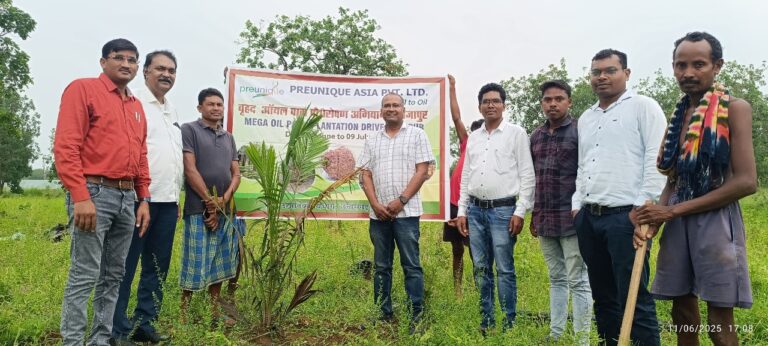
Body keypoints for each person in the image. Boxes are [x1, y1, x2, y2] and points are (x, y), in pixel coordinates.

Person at [636, 32, 757, 346]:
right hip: (678, 220)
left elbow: (746, 181)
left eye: (698, 64)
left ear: (717, 66)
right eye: (680, 65)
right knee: (682, 311)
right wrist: (655, 217)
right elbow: (673, 180)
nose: (688, 73)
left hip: (716, 219)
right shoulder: (678, 116)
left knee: (720, 317)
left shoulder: (735, 108)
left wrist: (672, 210)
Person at [54, 38, 151, 346]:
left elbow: (141, 155)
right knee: (85, 274)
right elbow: (66, 146)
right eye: (118, 57)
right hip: (94, 192)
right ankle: (72, 341)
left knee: (114, 276)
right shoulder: (83, 89)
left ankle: (100, 340)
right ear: (103, 62)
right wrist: (81, 197)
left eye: (132, 59)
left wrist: (143, 198)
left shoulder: (136, 106)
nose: (126, 64)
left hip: (127, 198)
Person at [571, 49, 667, 346]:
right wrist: (577, 206)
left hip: (626, 218)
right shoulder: (586, 117)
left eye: (610, 70)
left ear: (626, 73)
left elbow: (658, 160)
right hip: (590, 217)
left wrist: (644, 211)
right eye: (596, 72)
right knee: (603, 298)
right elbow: (583, 163)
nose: (602, 77)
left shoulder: (643, 107)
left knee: (635, 299)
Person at [112, 50, 182, 344]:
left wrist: (176, 198)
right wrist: (142, 196)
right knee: (124, 265)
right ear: (145, 72)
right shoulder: (134, 101)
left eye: (172, 70)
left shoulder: (170, 110)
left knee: (157, 266)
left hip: (167, 202)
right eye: (160, 69)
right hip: (139, 199)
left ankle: (145, 322)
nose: (167, 74)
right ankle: (116, 328)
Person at [455, 83, 536, 334]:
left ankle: (508, 323)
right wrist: (461, 211)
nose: (490, 105)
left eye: (496, 101)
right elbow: (466, 175)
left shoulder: (516, 134)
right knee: (480, 268)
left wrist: (520, 211)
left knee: (504, 269)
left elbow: (527, 174)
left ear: (504, 105)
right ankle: (486, 321)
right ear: (479, 106)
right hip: (475, 211)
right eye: (486, 101)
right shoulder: (475, 138)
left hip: (503, 211)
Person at [357, 92, 434, 333]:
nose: (391, 109)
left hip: (407, 214)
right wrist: (375, 204)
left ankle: (416, 316)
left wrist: (401, 200)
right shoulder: (372, 140)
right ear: (381, 111)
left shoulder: (417, 135)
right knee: (381, 266)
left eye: (395, 105)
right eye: (387, 106)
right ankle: (382, 313)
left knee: (411, 265)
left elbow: (422, 171)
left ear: (403, 110)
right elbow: (364, 173)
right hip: (378, 216)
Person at [529, 80, 592, 344]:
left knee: (578, 280)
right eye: (547, 99)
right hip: (545, 218)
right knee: (556, 278)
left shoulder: (581, 132)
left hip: (572, 218)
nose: (552, 104)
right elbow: (531, 178)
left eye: (559, 98)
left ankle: (582, 339)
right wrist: (533, 213)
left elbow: (588, 174)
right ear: (542, 103)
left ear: (569, 102)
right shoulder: (535, 136)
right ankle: (554, 335)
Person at [179, 88, 245, 325]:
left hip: (226, 212)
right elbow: (190, 169)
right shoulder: (189, 130)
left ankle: (214, 311)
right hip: (198, 209)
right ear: (200, 107)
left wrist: (224, 200)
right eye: (211, 104)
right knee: (196, 260)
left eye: (219, 104)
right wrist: (210, 201)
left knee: (221, 261)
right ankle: (184, 313)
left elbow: (235, 173)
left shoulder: (228, 137)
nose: (216, 108)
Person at [443, 74, 483, 297]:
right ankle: (457, 290)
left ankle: (480, 290)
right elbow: (456, 117)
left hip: (472, 205)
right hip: (453, 202)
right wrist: (452, 88)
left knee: (475, 250)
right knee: (456, 249)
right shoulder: (466, 142)